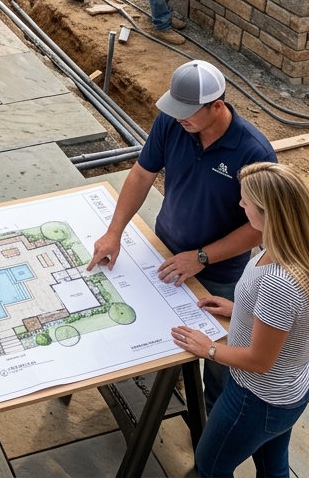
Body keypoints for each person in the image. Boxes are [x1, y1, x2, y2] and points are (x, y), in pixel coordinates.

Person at [87, 60, 276, 408]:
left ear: (217, 106)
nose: (178, 119)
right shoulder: (172, 124)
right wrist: (114, 232)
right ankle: (164, 384)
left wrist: (202, 257)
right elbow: (142, 174)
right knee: (159, 335)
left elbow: (260, 227)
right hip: (163, 251)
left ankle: (211, 424)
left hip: (218, 274)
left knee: (221, 362)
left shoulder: (254, 153)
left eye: (187, 112)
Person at [171, 162, 309, 477]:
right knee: (273, 467)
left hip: (256, 397)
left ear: (268, 213)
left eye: (245, 201)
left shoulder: (280, 282)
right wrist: (241, 310)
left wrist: (208, 349)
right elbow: (291, 320)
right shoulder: (307, 249)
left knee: (211, 466)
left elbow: (259, 360)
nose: (240, 204)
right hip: (292, 389)